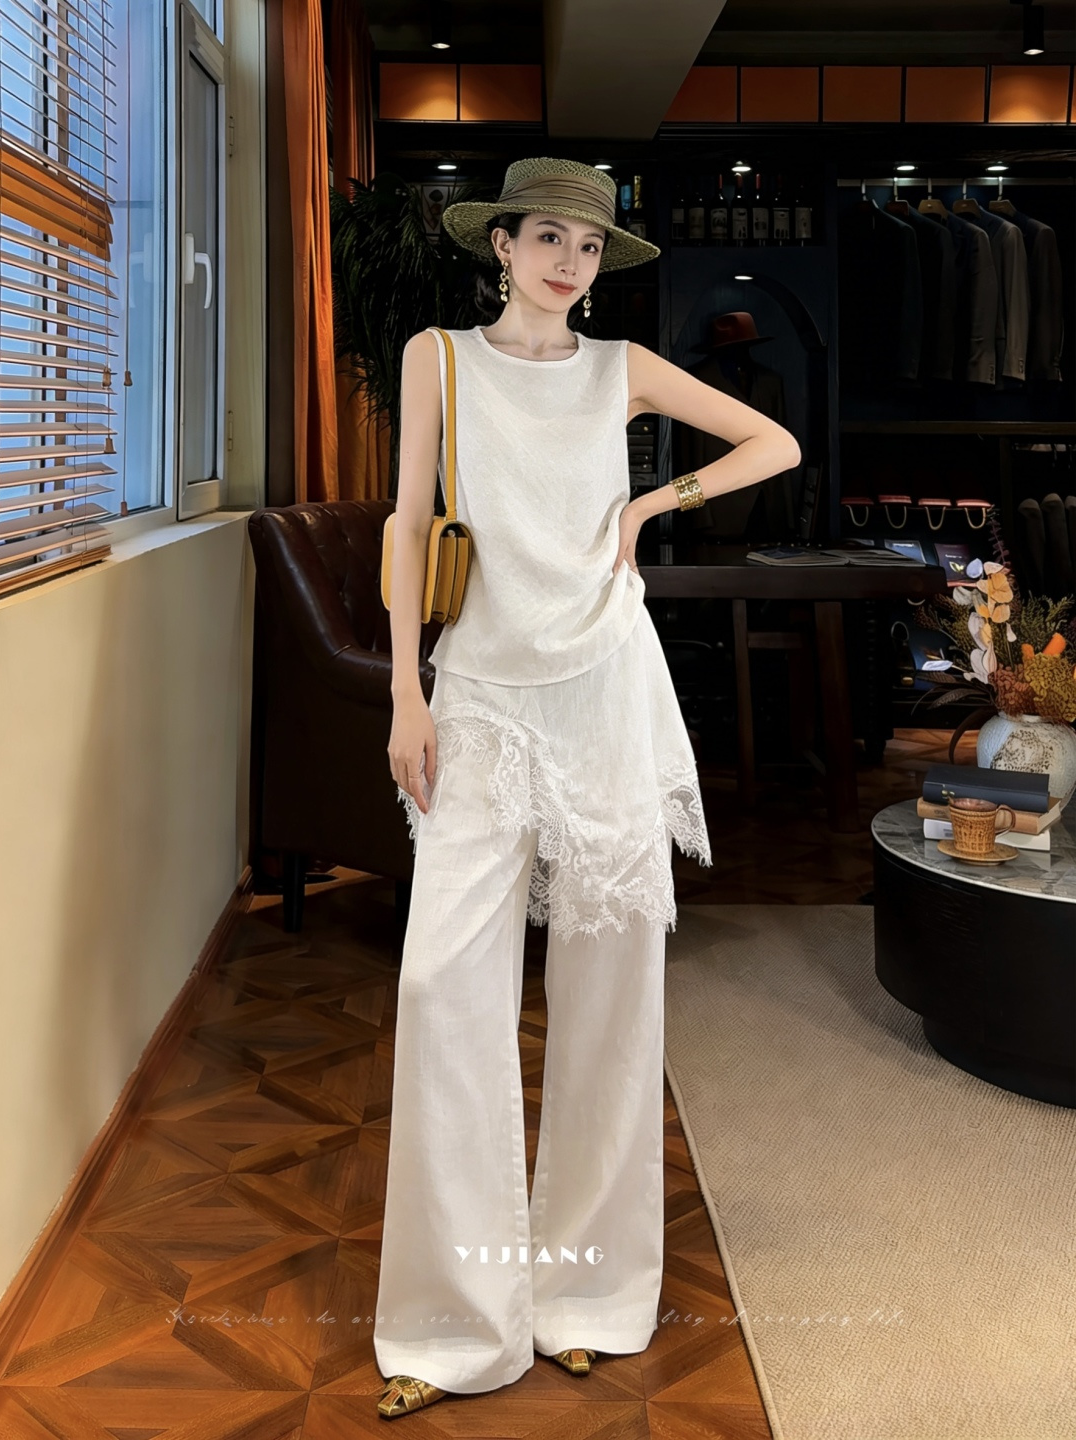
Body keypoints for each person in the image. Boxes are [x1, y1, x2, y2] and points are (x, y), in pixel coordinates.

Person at [376, 156, 800, 1420]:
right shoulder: (438, 358)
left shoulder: (622, 369)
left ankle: (588, 1296)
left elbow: (772, 443)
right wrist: (405, 692)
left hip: (608, 684)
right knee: (441, 984)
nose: (568, 262)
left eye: (589, 245)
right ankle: (454, 1324)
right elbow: (407, 524)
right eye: (547, 238)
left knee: (613, 993)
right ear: (501, 246)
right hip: (480, 695)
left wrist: (651, 507)